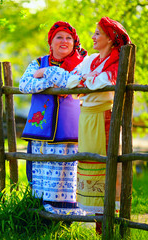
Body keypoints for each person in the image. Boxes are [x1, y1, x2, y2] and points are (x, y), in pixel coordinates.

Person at [36, 17, 131, 234]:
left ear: (110, 38)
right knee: (88, 165)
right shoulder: (93, 60)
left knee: (105, 167)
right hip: (86, 117)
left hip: (104, 117)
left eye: (98, 33)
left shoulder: (116, 63)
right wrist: (87, 78)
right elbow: (71, 81)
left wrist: (86, 79)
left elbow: (99, 82)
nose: (93, 37)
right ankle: (99, 224)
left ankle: (107, 227)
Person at [19, 21, 87, 215]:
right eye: (59, 37)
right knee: (41, 168)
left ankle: (67, 211)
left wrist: (45, 74)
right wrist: (52, 81)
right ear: (51, 42)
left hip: (70, 127)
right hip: (40, 127)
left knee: (67, 169)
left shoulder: (81, 64)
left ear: (74, 43)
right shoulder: (38, 62)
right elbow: (24, 84)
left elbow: (70, 83)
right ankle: (40, 209)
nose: (64, 41)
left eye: (69, 38)